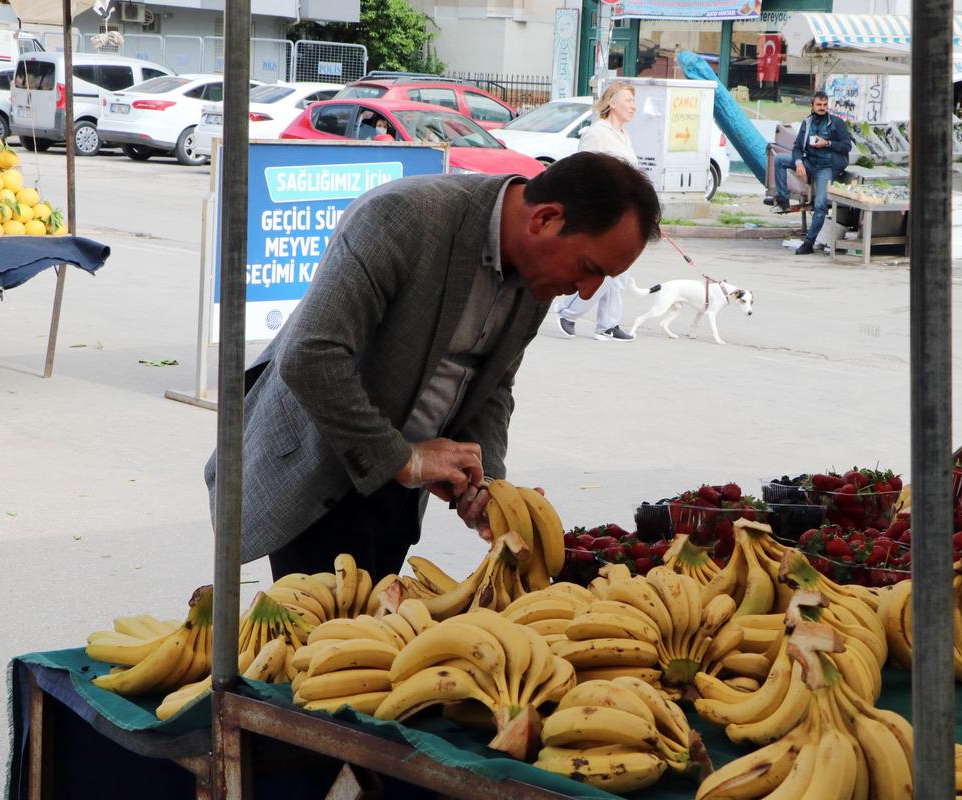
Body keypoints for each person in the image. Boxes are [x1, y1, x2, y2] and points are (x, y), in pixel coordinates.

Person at [204, 152, 661, 580]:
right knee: (323, 644)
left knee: (377, 637)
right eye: (588, 267)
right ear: (545, 219)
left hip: (402, 485)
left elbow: (494, 386)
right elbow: (310, 356)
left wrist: (487, 484)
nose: (585, 291)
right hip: (321, 467)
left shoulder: (538, 274)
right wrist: (403, 458)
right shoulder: (402, 217)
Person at [556, 81, 640, 342]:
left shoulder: (623, 135)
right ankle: (567, 312)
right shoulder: (598, 133)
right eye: (628, 100)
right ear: (612, 103)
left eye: (634, 101)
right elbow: (582, 172)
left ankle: (608, 324)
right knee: (604, 270)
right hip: (602, 212)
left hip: (625, 213)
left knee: (621, 273)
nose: (633, 106)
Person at [768, 91, 853, 256]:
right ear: (812, 106)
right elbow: (798, 147)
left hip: (826, 167)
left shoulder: (837, 123)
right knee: (779, 160)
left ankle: (808, 243)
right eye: (819, 105)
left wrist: (827, 143)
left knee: (820, 205)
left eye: (825, 105)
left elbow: (846, 146)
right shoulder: (807, 123)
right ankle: (783, 199)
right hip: (809, 162)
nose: (822, 108)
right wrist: (799, 163)